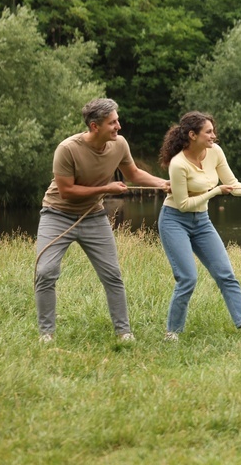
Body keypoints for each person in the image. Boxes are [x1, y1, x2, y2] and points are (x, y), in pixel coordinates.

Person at [35, 98, 170, 343]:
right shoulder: (67, 149)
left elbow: (134, 174)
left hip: (94, 216)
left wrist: (163, 183)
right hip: (56, 214)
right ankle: (46, 334)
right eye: (112, 123)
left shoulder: (119, 145)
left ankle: (124, 332)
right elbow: (66, 191)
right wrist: (106, 189)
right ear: (95, 126)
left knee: (112, 274)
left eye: (117, 121)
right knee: (45, 272)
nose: (118, 127)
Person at [158, 111, 241, 342]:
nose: (213, 136)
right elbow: (184, 204)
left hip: (202, 222)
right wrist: (215, 191)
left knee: (226, 274)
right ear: (192, 135)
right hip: (175, 220)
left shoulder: (215, 152)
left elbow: (234, 186)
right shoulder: (178, 164)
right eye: (208, 132)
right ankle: (172, 333)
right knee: (188, 278)